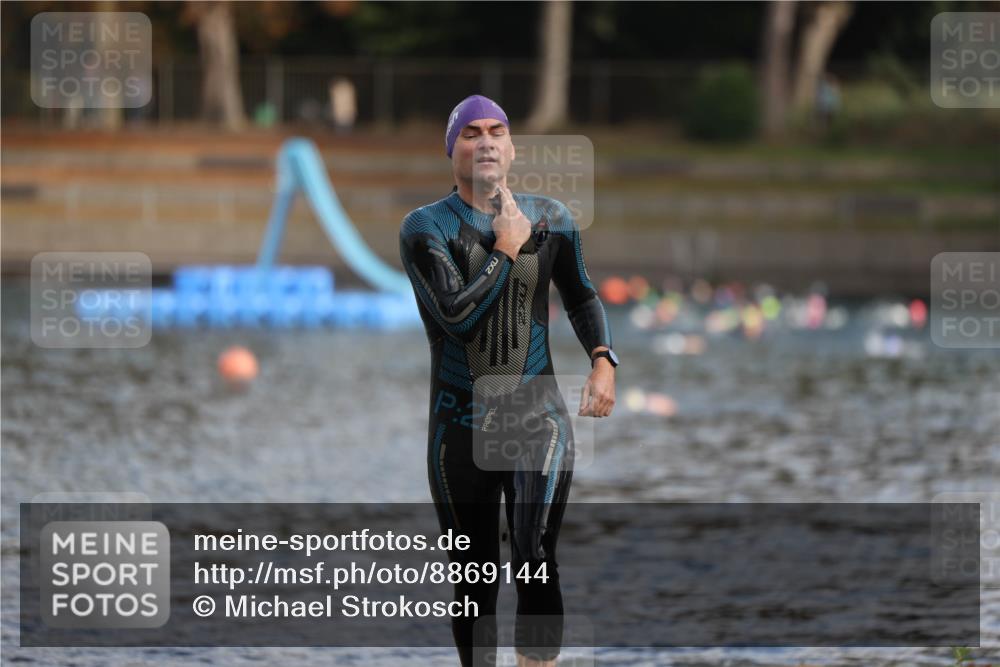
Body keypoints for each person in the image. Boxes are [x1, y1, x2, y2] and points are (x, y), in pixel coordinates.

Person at [399, 94, 618, 666]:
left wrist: (602, 359)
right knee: (473, 581)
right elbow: (456, 317)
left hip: (535, 416)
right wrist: (505, 247)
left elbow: (582, 295)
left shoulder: (552, 218)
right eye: (471, 133)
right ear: (452, 150)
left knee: (534, 555)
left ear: (513, 148)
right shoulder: (424, 227)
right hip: (458, 425)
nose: (486, 141)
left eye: (497, 131)